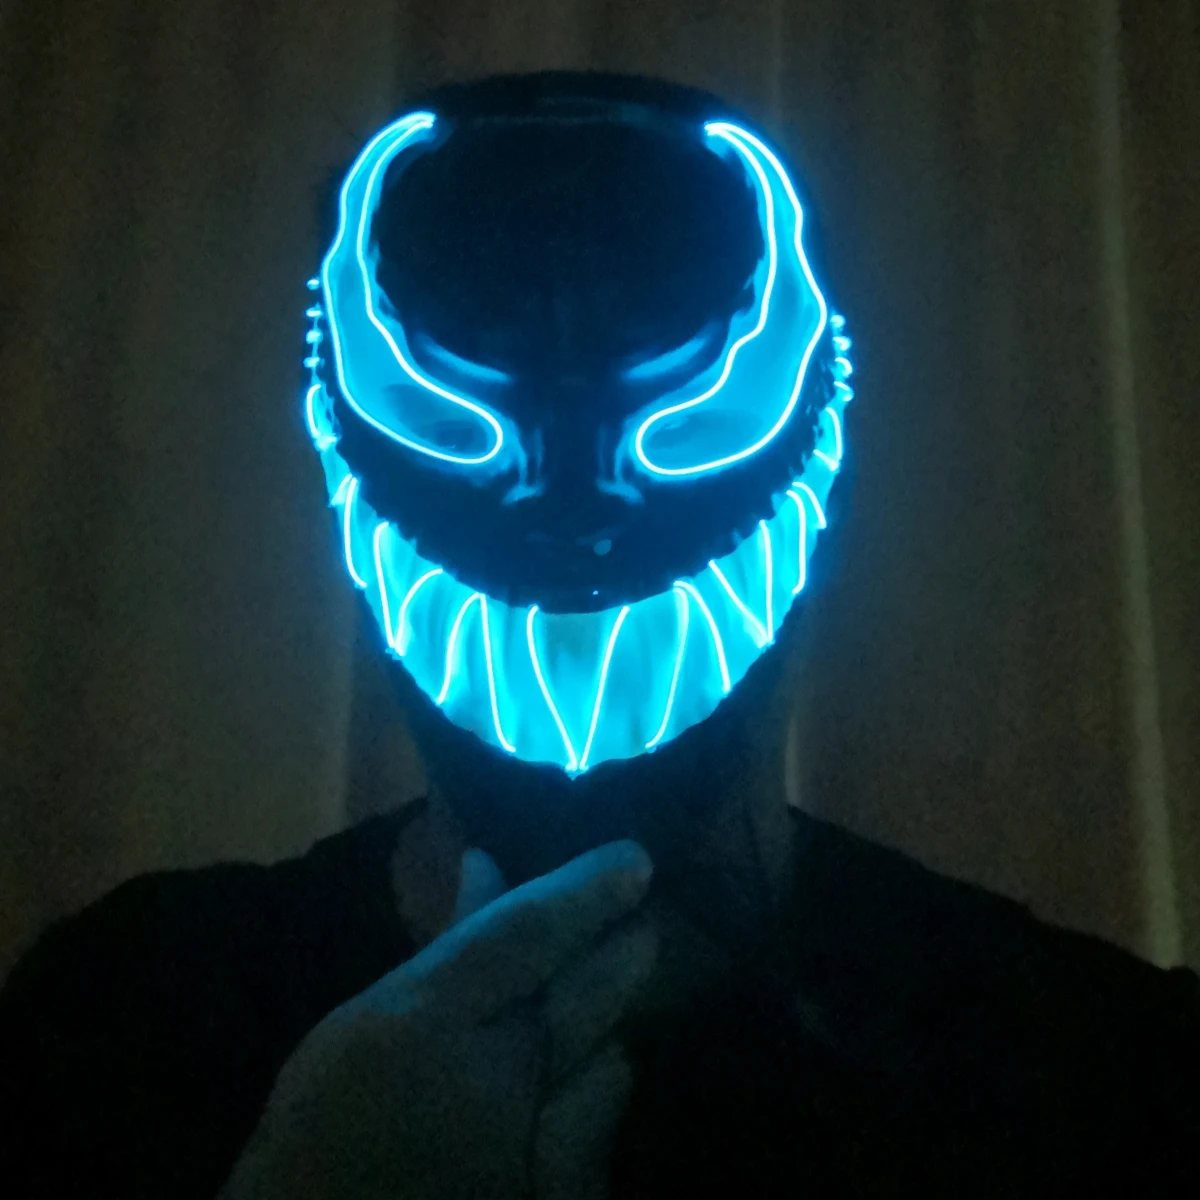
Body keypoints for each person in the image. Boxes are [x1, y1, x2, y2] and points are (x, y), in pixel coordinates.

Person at [4, 70, 1199, 1197]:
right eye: (449, 417)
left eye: (692, 419)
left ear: (827, 439)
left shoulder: (1101, 1074)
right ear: (330, 428)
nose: (571, 509)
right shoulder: (126, 1022)